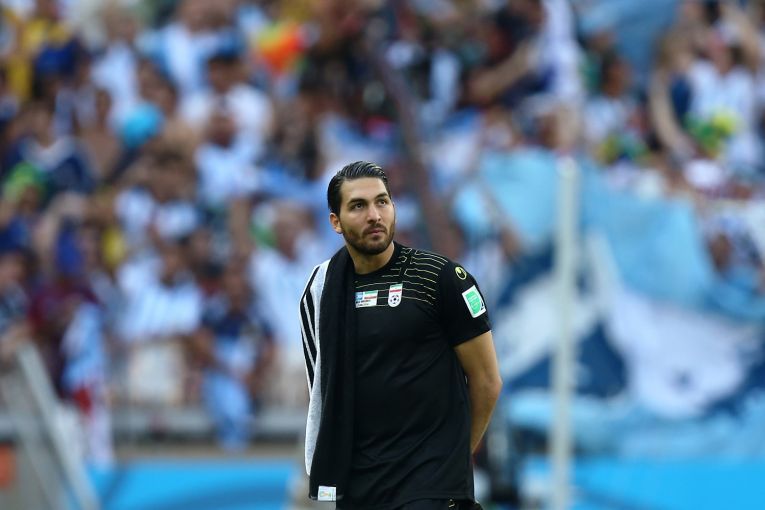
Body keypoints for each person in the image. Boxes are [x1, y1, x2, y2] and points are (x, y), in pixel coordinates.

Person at [299, 161, 502, 509]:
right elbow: (322, 389)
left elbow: (487, 381)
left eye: (382, 201)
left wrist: (452, 458)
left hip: (431, 485)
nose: (374, 215)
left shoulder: (441, 278)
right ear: (335, 221)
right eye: (358, 206)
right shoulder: (321, 290)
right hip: (360, 488)